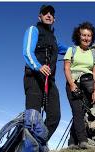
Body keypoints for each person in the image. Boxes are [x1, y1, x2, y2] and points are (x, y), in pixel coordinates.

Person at [22, 5, 67, 140]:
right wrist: (38, 66)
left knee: (55, 116)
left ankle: (38, 144)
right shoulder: (33, 30)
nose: (49, 15)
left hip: (50, 81)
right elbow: (27, 51)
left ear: (54, 19)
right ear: (39, 16)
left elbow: (67, 50)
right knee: (33, 118)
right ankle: (26, 150)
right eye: (45, 13)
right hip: (34, 78)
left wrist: (83, 50)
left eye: (51, 14)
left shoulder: (54, 39)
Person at [63, 22, 95, 149]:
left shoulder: (94, 53)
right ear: (78, 36)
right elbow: (66, 69)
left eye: (89, 35)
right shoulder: (71, 50)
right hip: (74, 84)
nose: (86, 38)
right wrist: (72, 85)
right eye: (83, 35)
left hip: (88, 86)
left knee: (79, 113)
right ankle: (83, 141)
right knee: (77, 111)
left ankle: (72, 142)